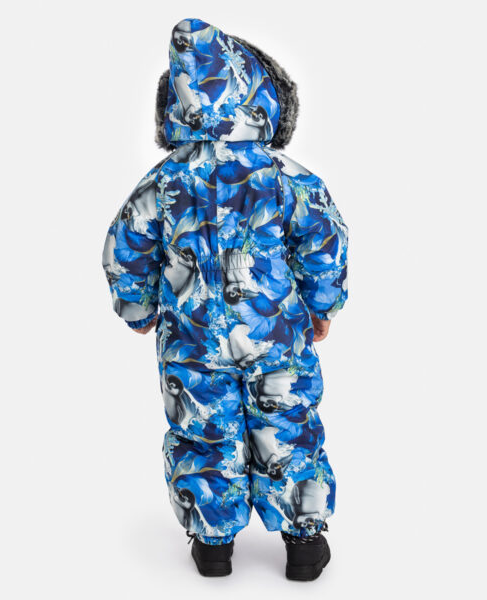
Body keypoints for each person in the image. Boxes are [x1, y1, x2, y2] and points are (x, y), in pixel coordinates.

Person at [102, 17, 348, 581]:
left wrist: (138, 308)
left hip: (191, 336)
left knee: (203, 429)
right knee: (287, 423)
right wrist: (322, 305)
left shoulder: (164, 181)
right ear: (261, 97)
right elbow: (323, 239)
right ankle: (304, 542)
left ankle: (213, 547)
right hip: (274, 331)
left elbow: (126, 246)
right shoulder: (283, 176)